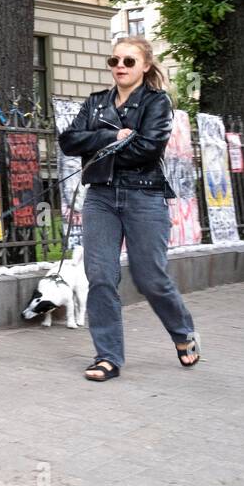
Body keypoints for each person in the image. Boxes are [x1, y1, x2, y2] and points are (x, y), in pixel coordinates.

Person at [58, 36, 200, 381]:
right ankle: (108, 357)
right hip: (101, 198)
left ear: (145, 66)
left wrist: (107, 142)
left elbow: (149, 148)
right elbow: (68, 141)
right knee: (101, 276)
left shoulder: (156, 102)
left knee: (150, 278)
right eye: (115, 61)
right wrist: (111, 137)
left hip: (144, 195)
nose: (120, 66)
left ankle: (183, 333)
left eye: (128, 61)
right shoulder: (95, 103)